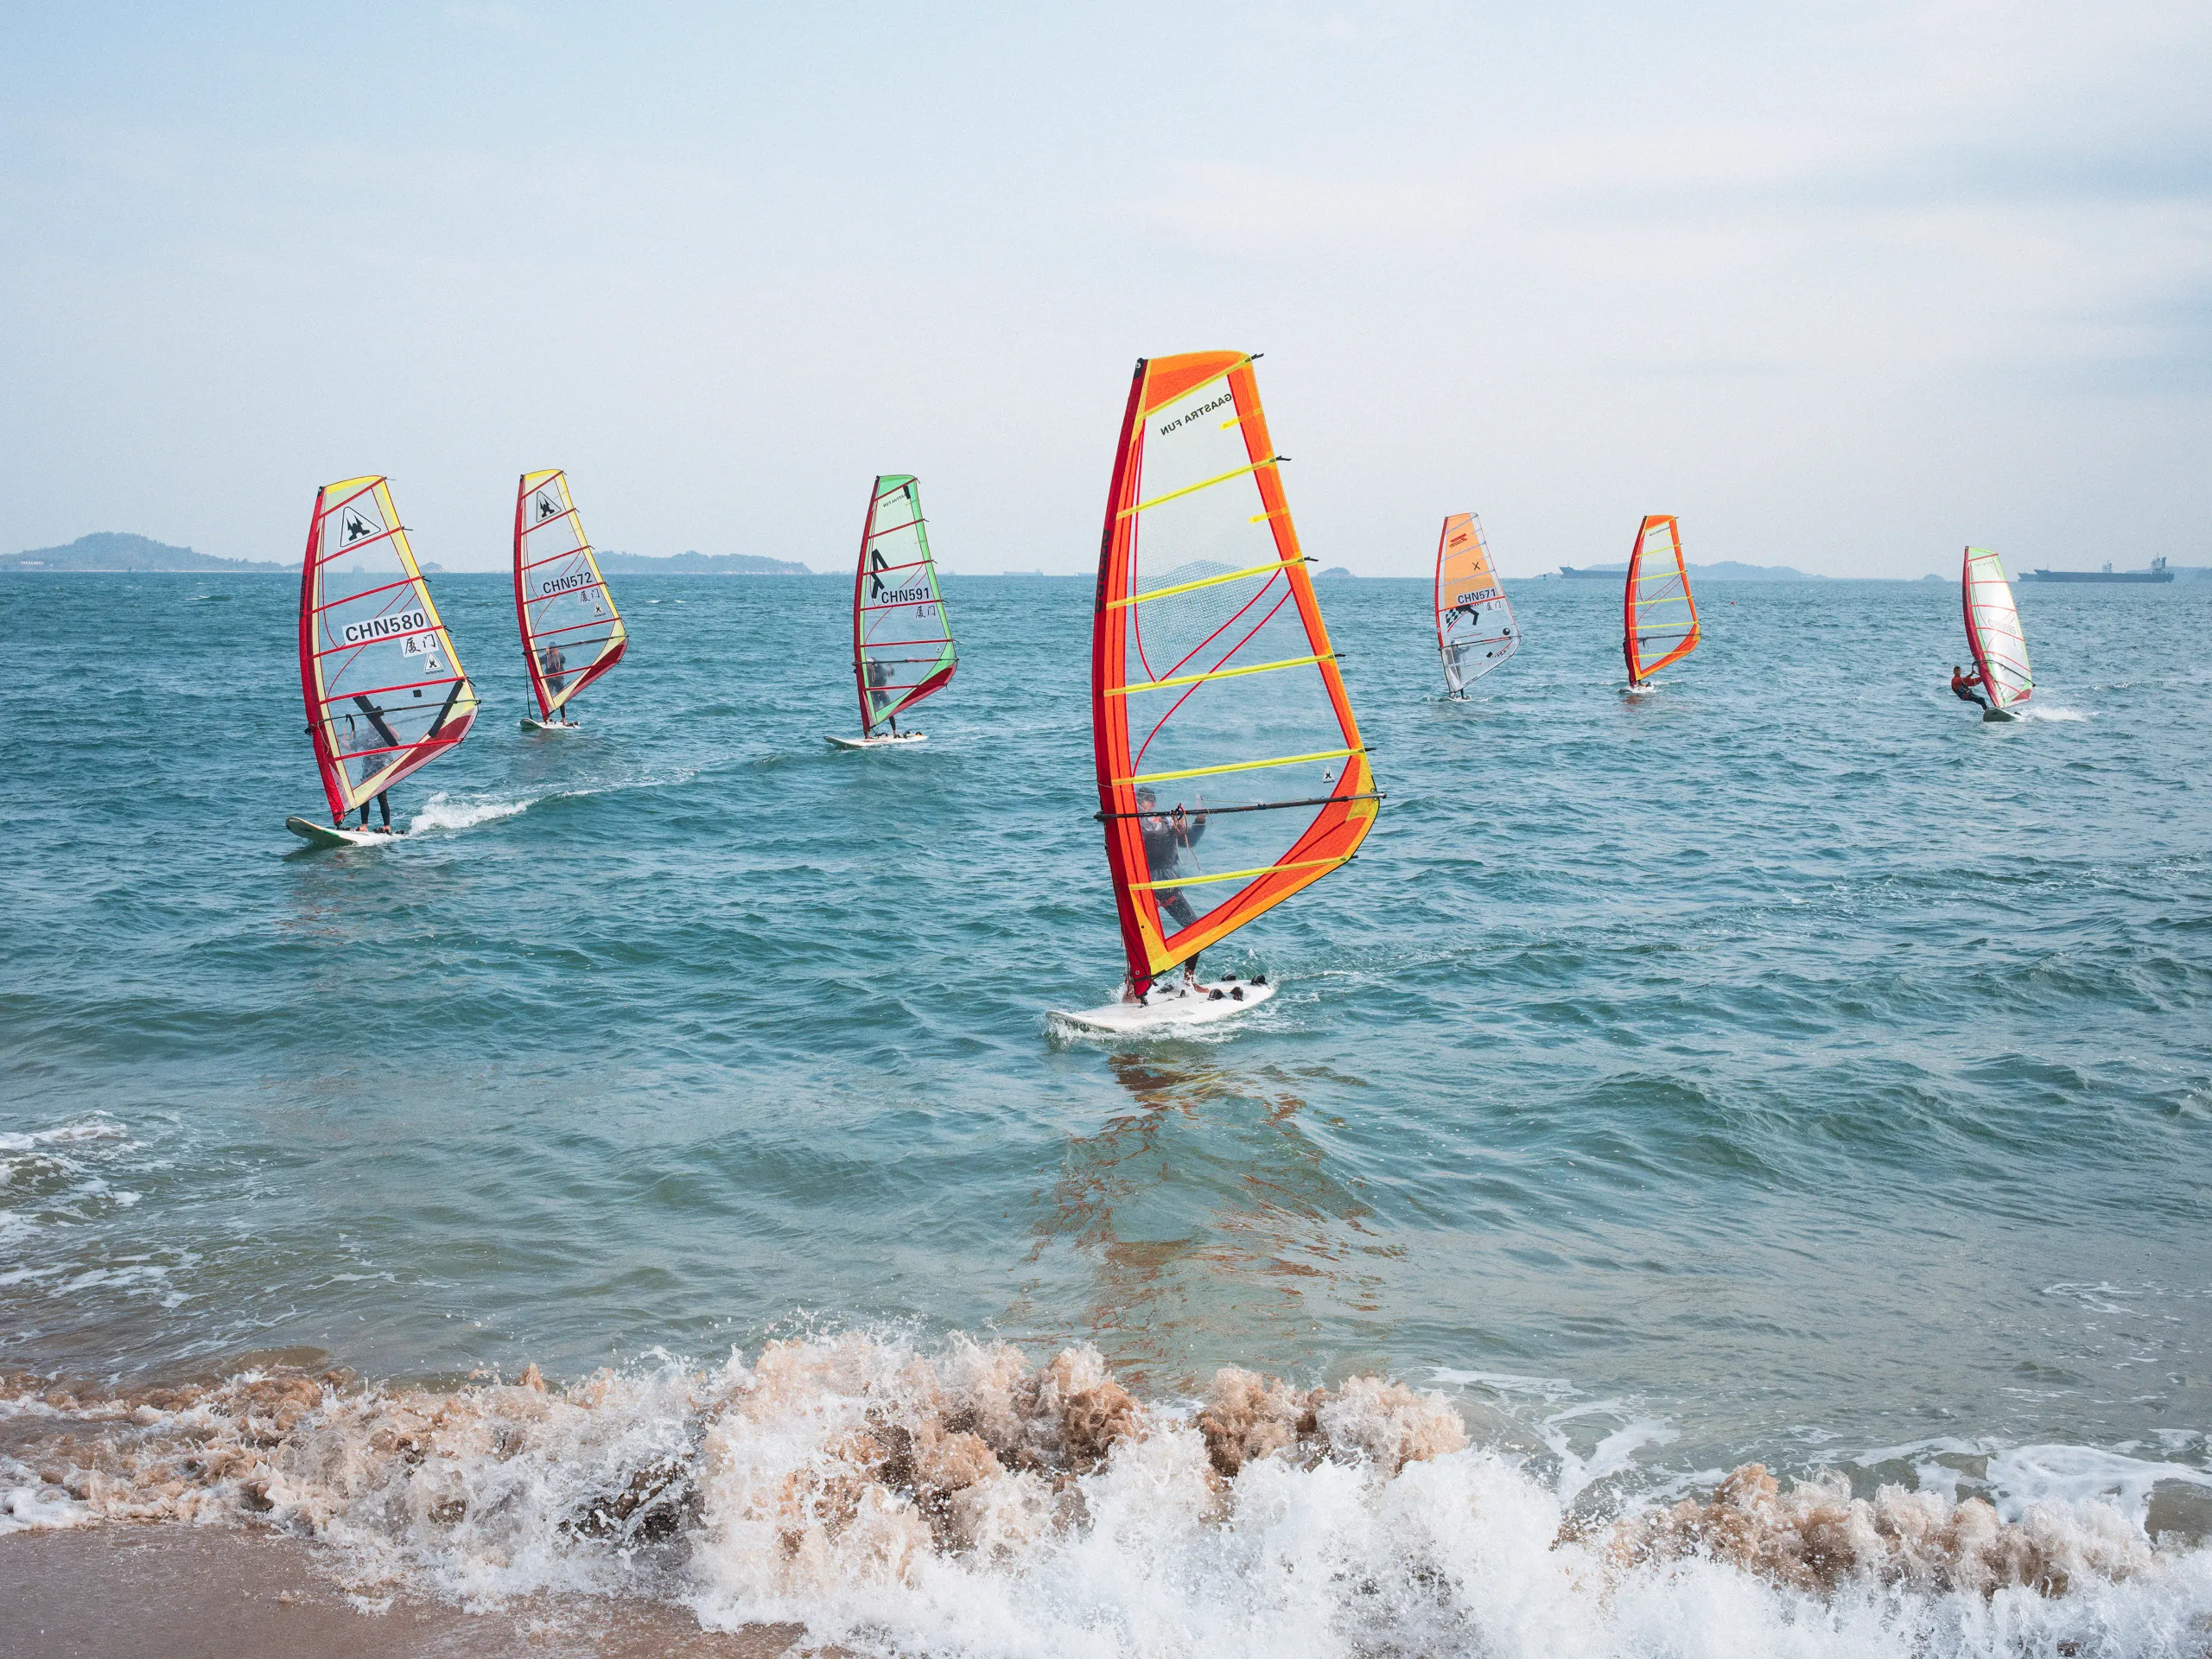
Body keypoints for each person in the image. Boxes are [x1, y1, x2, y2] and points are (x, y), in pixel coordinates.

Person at [1125, 787, 1208, 1000]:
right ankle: (1132, 987)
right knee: (1139, 940)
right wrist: (1168, 825)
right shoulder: (1132, 823)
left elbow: (1188, 841)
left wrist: (1198, 820)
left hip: (1169, 888)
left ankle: (1188, 982)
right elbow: (1148, 834)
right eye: (1137, 801)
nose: (1139, 805)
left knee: (1195, 930)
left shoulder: (1165, 821)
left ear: (1152, 804)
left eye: (1143, 802)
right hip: (1146, 890)